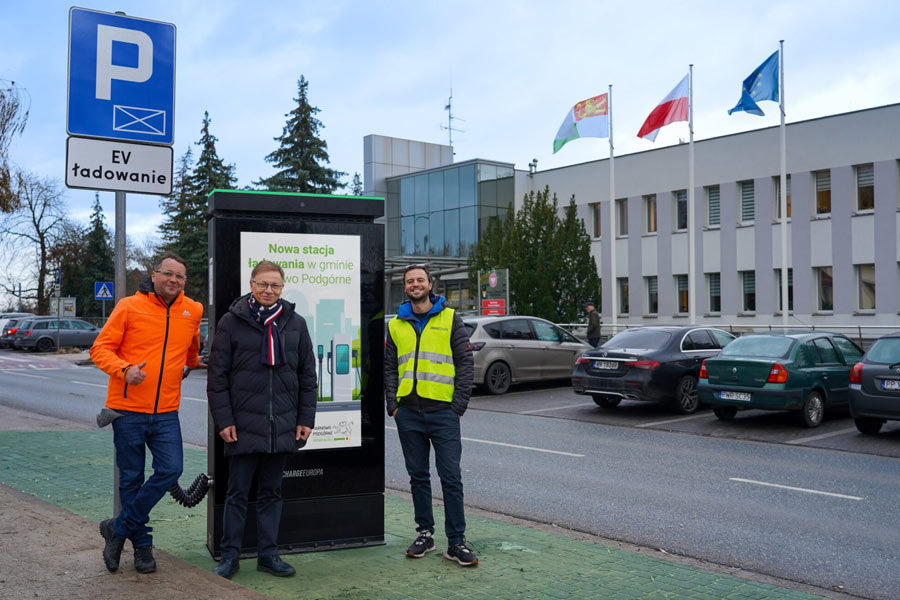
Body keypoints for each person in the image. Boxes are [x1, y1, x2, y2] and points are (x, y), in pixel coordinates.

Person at [91, 253, 202, 574]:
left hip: (167, 410)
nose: (174, 280)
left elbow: (192, 348)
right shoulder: (129, 306)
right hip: (127, 410)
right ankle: (142, 546)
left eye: (180, 276)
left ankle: (118, 528)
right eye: (168, 274)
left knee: (170, 470)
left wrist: (190, 364)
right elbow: (99, 348)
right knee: (131, 479)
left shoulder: (192, 310)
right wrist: (124, 370)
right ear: (153, 275)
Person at [207, 260, 317, 579]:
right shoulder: (232, 322)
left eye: (276, 285)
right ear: (252, 284)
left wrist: (305, 418)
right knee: (237, 493)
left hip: (281, 424)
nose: (269, 290)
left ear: (283, 288)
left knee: (272, 493)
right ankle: (230, 556)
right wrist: (223, 419)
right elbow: (217, 376)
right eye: (263, 284)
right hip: (242, 426)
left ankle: (269, 555)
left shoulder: (294, 323)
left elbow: (307, 376)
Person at [385, 264, 477, 566]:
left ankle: (456, 542)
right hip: (408, 412)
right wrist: (393, 406)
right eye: (410, 281)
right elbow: (389, 367)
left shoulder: (451, 318)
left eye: (420, 280)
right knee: (418, 477)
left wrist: (459, 405)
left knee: (451, 478)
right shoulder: (395, 324)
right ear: (405, 286)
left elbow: (465, 363)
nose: (415, 284)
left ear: (430, 283)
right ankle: (425, 533)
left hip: (443, 412)